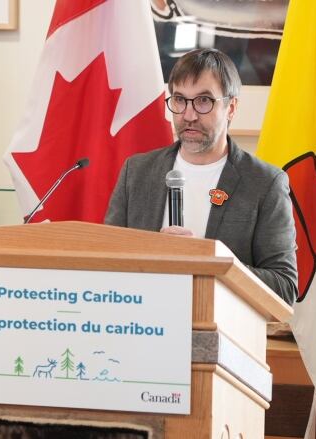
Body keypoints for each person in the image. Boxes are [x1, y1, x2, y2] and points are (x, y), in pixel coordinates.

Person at [104, 48, 298, 305]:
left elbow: (284, 287)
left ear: (231, 108)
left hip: (219, 336)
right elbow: (107, 261)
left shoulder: (265, 183)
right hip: (141, 328)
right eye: (180, 100)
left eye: (204, 101)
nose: (189, 115)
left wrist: (209, 260)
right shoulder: (137, 172)